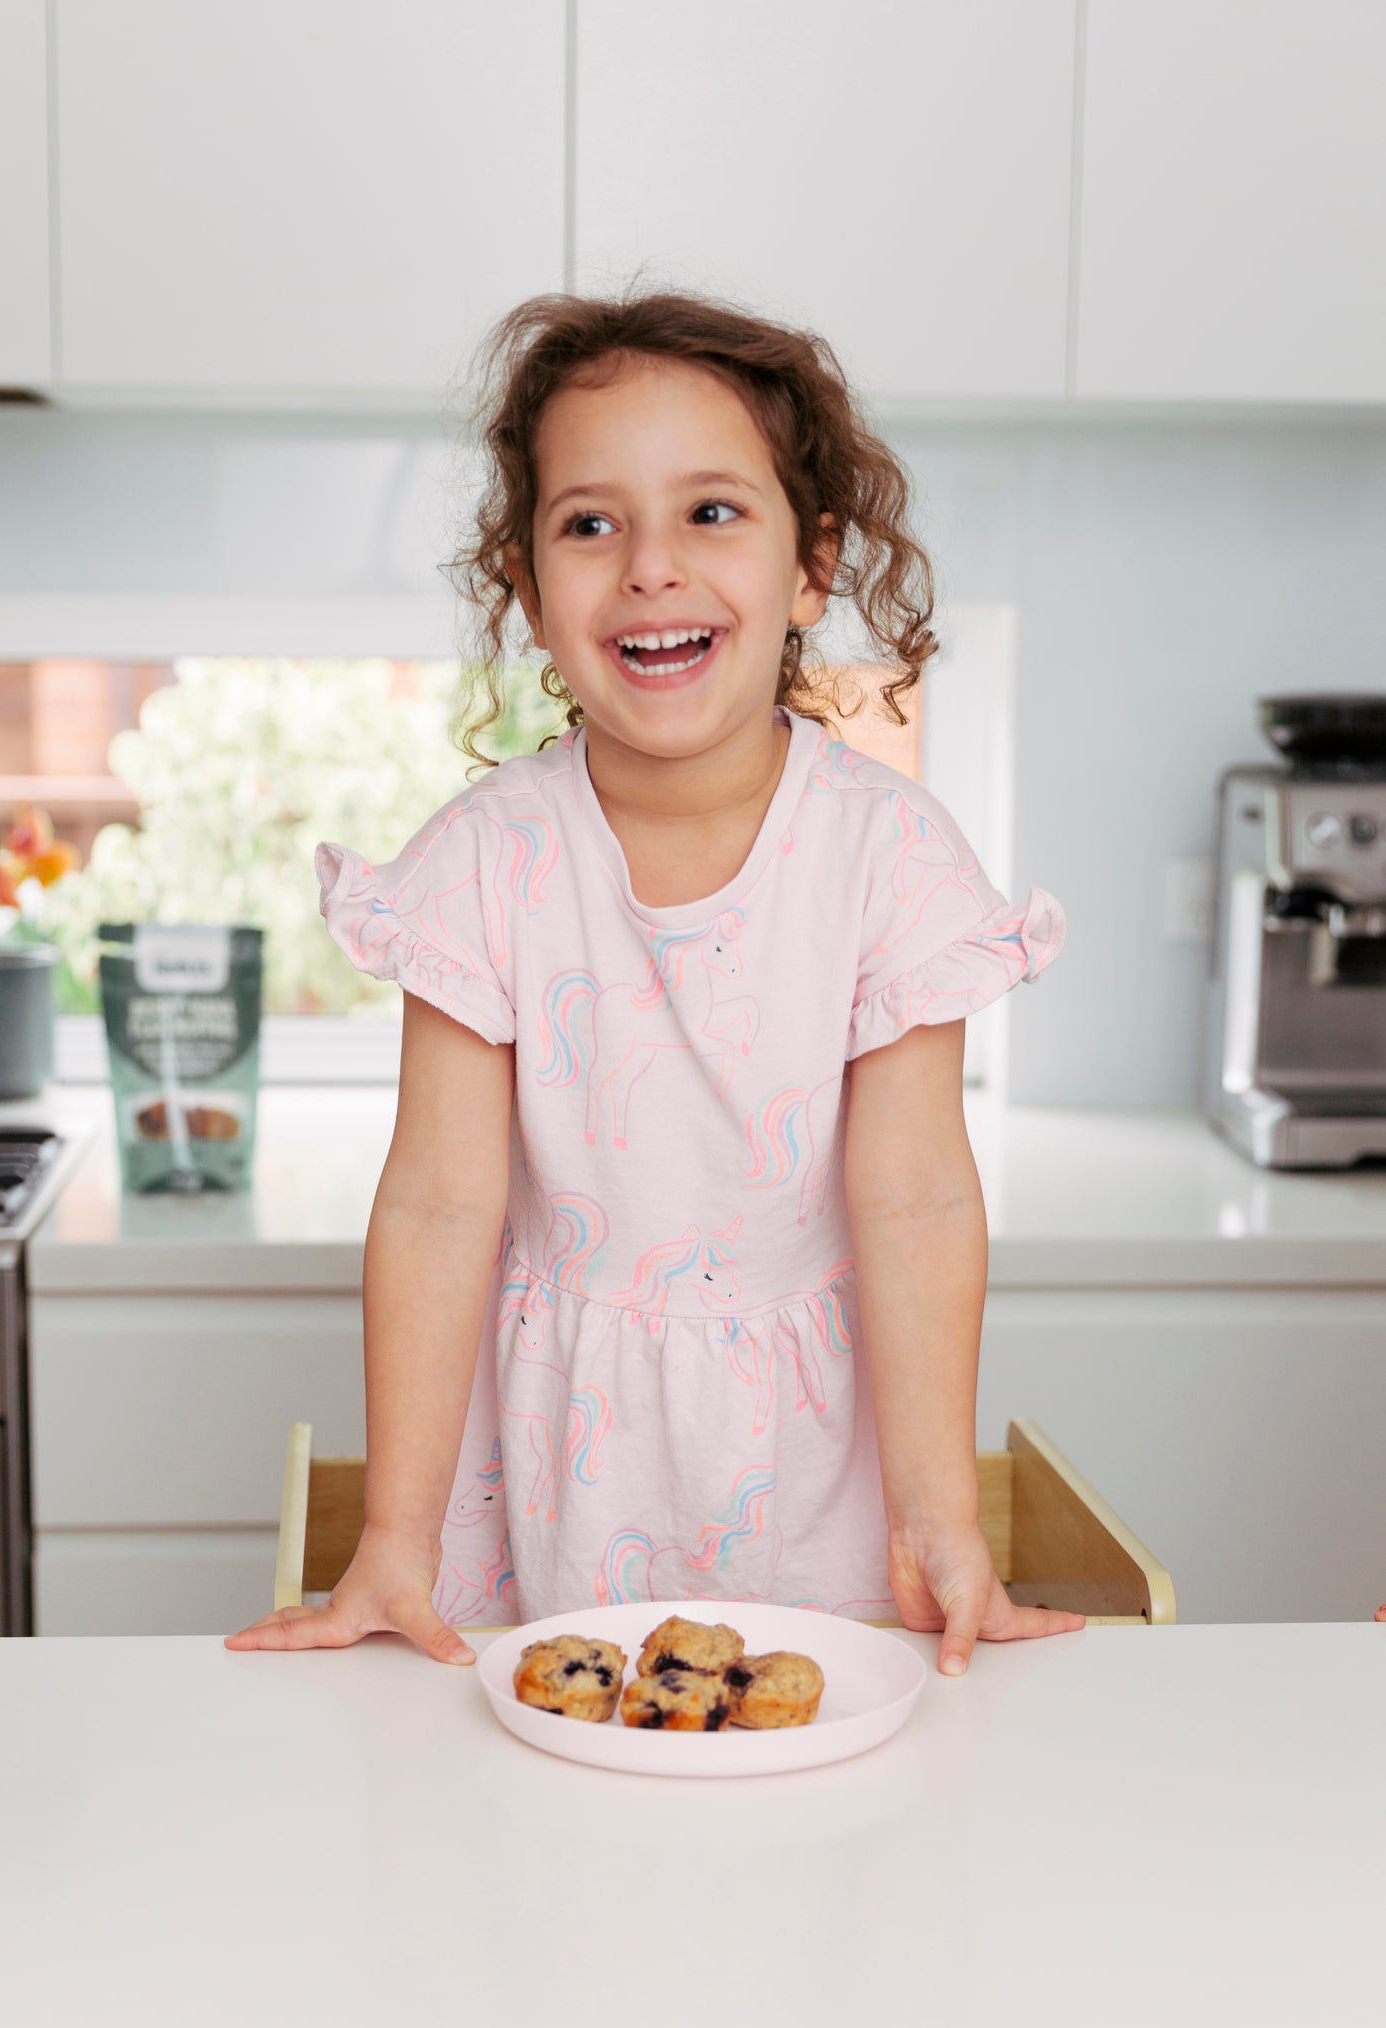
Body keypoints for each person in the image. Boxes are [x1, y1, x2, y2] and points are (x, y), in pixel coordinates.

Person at [225, 291, 1083, 1676]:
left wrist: (940, 1516)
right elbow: (438, 1205)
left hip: (813, 1469)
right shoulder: (484, 862)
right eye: (590, 524)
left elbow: (918, 1198)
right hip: (554, 1458)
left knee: (803, 1755)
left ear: (811, 568)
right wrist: (393, 1536)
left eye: (711, 512)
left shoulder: (889, 854)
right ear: (526, 588)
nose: (649, 569)